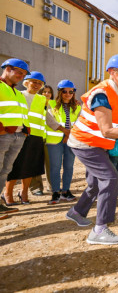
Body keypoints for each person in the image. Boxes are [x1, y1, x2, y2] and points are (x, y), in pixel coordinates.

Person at [65, 54, 118, 245]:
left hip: (96, 143)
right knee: (110, 178)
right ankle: (99, 230)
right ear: (112, 73)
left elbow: (115, 124)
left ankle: (77, 212)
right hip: (86, 143)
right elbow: (106, 130)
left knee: (96, 183)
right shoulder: (102, 94)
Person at [4, 72, 47, 206]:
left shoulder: (43, 99)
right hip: (20, 134)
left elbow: (51, 113)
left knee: (31, 166)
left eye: (40, 83)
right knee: (14, 165)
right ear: (26, 82)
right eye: (34, 81)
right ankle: (7, 193)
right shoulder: (18, 94)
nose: (37, 85)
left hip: (37, 137)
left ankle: (23, 193)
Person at [0, 59, 30, 219]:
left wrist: (25, 129)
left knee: (5, 171)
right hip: (3, 135)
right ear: (8, 69)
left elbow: (22, 114)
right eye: (19, 72)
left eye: (24, 74)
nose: (21, 76)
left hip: (18, 136)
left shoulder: (18, 93)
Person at [45, 80, 81, 204]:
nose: (67, 94)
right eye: (64, 91)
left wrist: (69, 133)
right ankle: (55, 192)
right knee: (55, 167)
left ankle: (66, 191)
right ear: (60, 92)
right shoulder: (51, 104)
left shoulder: (77, 107)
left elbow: (78, 122)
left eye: (71, 92)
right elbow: (49, 120)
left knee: (69, 166)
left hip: (70, 140)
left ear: (73, 93)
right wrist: (64, 131)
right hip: (54, 141)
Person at [29, 84, 55, 195]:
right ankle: (36, 188)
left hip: (50, 139)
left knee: (52, 164)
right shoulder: (34, 103)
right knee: (35, 163)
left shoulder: (55, 105)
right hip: (36, 136)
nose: (47, 94)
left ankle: (53, 186)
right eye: (44, 91)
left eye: (49, 92)